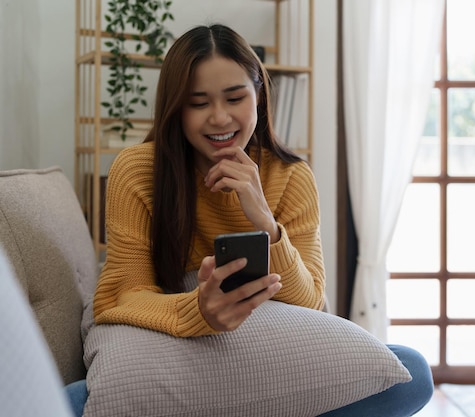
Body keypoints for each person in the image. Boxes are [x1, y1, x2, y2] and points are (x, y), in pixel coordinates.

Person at [66, 23, 433, 416]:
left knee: (411, 370)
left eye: (235, 97)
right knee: (66, 402)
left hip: (264, 354)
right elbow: (121, 296)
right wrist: (199, 311)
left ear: (258, 94)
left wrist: (265, 222)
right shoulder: (138, 170)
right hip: (176, 346)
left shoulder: (291, 176)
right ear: (176, 107)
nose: (220, 118)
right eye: (198, 102)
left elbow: (311, 305)